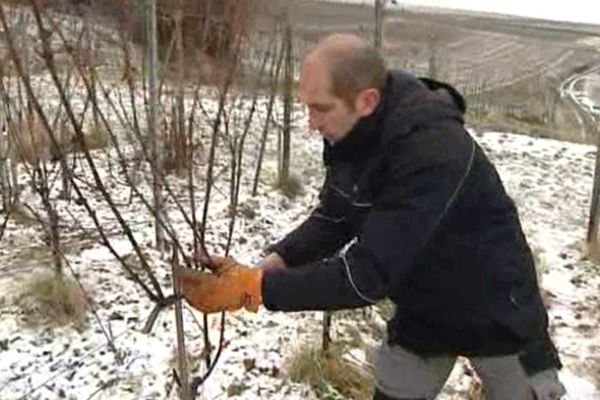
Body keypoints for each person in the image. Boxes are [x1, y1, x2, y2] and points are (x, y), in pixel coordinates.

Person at [175, 33, 566, 400]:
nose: (310, 123)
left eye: (320, 108)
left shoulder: (433, 149)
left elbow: (366, 276)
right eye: (306, 105)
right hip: (423, 309)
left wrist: (256, 290)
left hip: (495, 307)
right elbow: (335, 216)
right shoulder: (352, 134)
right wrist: (265, 268)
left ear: (366, 101)